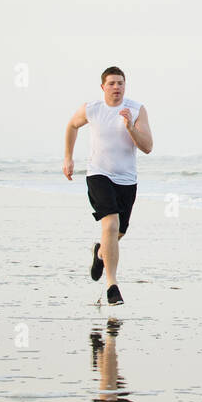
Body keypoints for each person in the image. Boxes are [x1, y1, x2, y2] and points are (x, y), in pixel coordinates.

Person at [62, 66, 153, 306]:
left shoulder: (136, 110)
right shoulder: (92, 109)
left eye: (120, 83)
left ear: (125, 86)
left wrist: (131, 128)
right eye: (111, 83)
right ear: (103, 87)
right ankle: (112, 286)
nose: (116, 87)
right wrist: (68, 158)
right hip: (99, 174)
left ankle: (101, 252)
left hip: (127, 179)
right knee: (110, 224)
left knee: (118, 232)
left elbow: (148, 147)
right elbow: (72, 126)